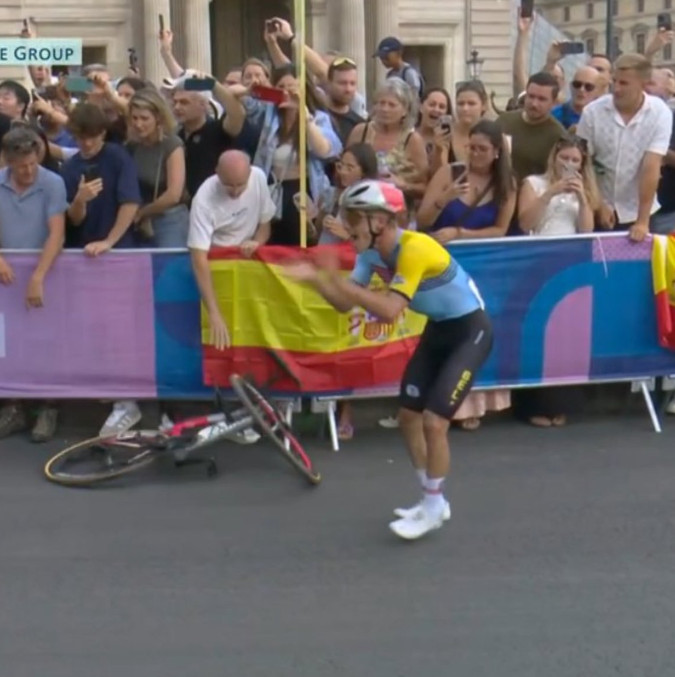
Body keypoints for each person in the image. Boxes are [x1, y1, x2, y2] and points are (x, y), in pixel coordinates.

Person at [285, 180, 493, 540]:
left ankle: (434, 505)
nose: (347, 226)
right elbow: (345, 304)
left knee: (433, 421)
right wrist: (317, 280)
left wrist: (336, 279)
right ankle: (430, 500)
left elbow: (389, 310)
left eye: (354, 218)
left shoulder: (415, 248)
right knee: (408, 416)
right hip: (439, 329)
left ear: (380, 220)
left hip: (470, 331)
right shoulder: (369, 255)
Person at [0, 127, 67, 442]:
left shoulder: (52, 183)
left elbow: (57, 232)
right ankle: (12, 406)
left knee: (46, 339)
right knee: (7, 341)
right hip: (6, 275)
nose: (28, 172)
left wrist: (38, 276)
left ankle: (47, 408)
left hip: (47, 270)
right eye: (21, 166)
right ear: (8, 162)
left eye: (32, 164)